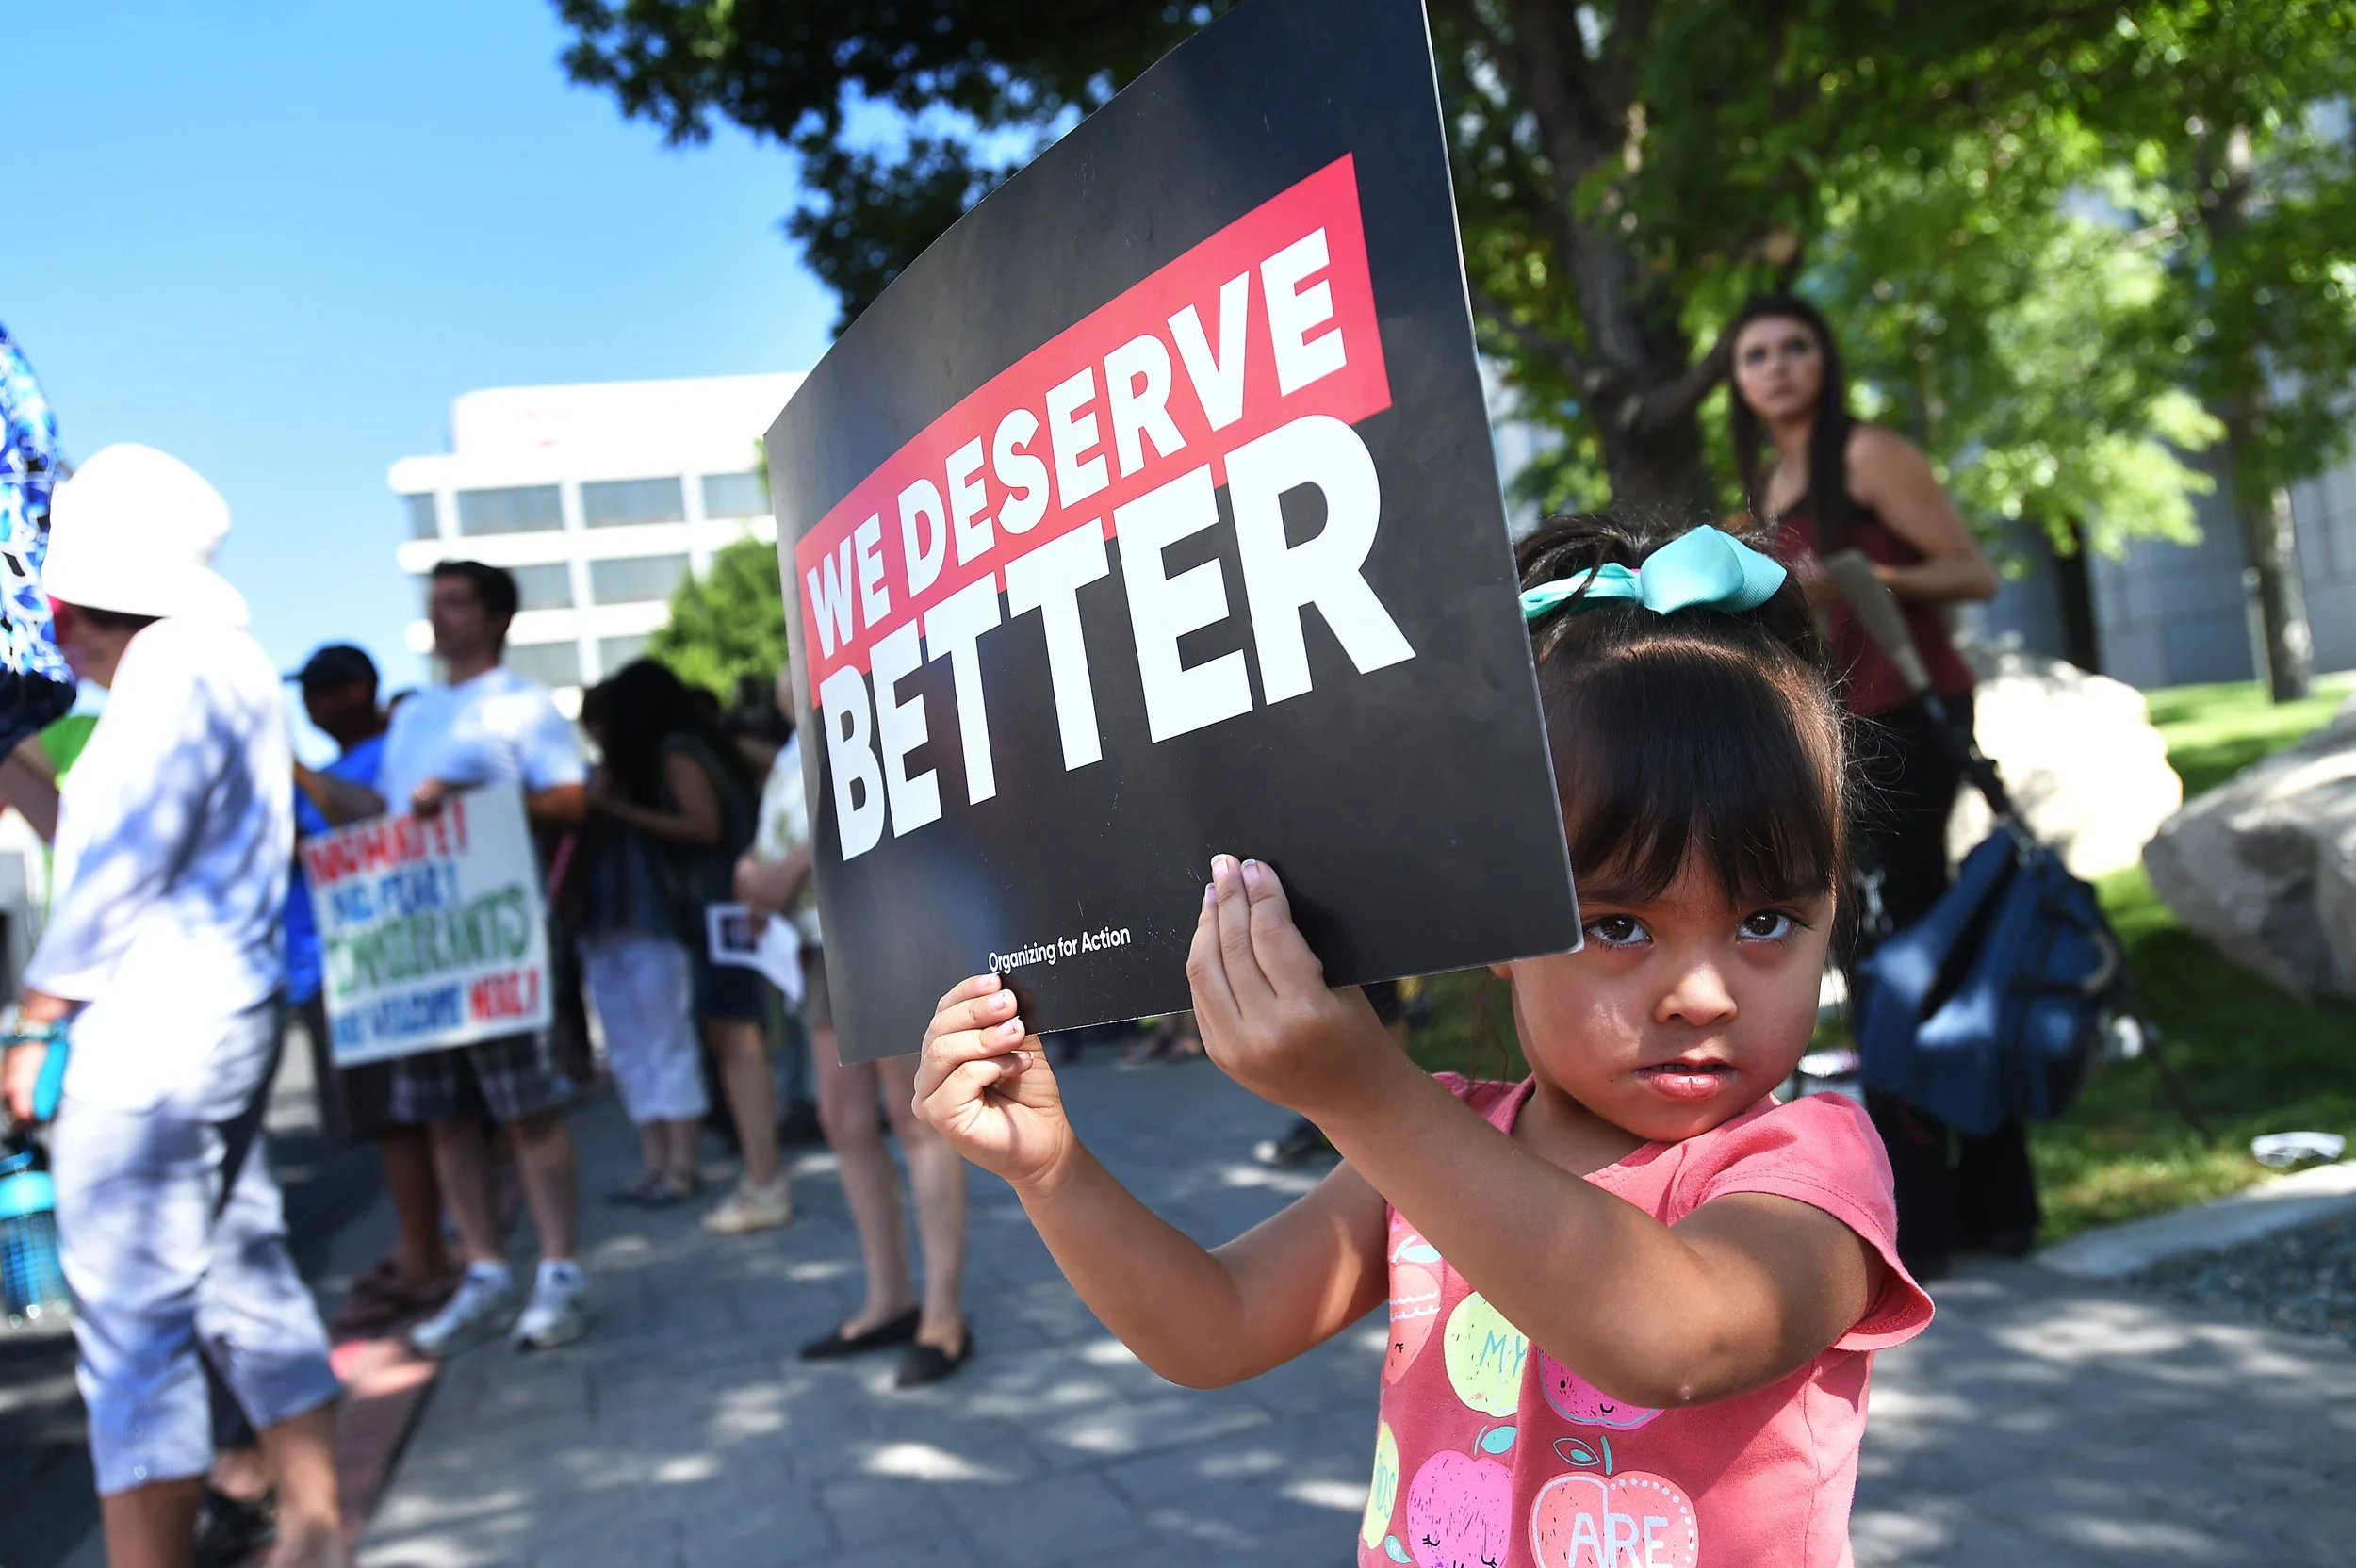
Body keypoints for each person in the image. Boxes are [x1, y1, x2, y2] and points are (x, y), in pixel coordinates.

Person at [915, 514, 1935, 1562]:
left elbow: (1678, 1337)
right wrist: (1052, 1171)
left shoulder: (1810, 1170)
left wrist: (1361, 1091)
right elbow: (1212, 1324)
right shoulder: (1441, 1139)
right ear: (1498, 923)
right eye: (1619, 924)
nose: (1702, 992)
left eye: (1765, 920)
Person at [0, 444, 350, 1568]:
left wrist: (36, 1016)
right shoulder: (223, 662)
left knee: (132, 1325)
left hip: (147, 1039)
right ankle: (315, 1528)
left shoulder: (168, 670)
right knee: (242, 1268)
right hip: (219, 1022)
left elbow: (118, 868)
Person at [1726, 292, 2027, 1280]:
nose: (1775, 366)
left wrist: (1856, 579)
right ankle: (1940, 1203)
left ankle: (1975, 1203)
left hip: (1909, 720)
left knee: (1912, 955)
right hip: (1833, 737)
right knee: (1879, 959)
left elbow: (1972, 572)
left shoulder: (1865, 455)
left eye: (1793, 346)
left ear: (1825, 357)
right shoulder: (1764, 480)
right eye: (1755, 353)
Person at [368, 561, 594, 1355]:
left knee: (526, 1107)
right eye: (435, 603)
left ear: (496, 618)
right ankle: (488, 1268)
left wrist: (476, 806)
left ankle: (560, 1269)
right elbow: (391, 816)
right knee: (446, 1118)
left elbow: (570, 803)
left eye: (457, 603)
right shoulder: (413, 715)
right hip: (425, 945)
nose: (441, 616)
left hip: (501, 935)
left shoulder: (522, 706)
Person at [738, 672, 972, 1384]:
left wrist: (778, 871)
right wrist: (753, 872)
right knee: (846, 1124)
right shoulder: (788, 753)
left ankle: (943, 1314)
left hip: (879, 930)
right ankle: (890, 1297)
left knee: (917, 1122)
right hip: (818, 944)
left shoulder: (862, 714)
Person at [580, 661, 790, 1229]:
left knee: (736, 1040)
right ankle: (761, 1174)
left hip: (718, 911)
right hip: (734, 908)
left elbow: (703, 828)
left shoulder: (676, 750)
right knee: (739, 1038)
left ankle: (763, 1179)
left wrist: (615, 809)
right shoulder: (711, 742)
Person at [284, 645, 454, 1325]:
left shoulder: (390, 754)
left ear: (354, 692)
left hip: (363, 964)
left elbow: (375, 817)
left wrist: (288, 765)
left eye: (320, 691)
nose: (308, 706)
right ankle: (421, 1246)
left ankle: (426, 1260)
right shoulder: (329, 768)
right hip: (324, 964)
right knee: (389, 1122)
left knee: (397, 1119)